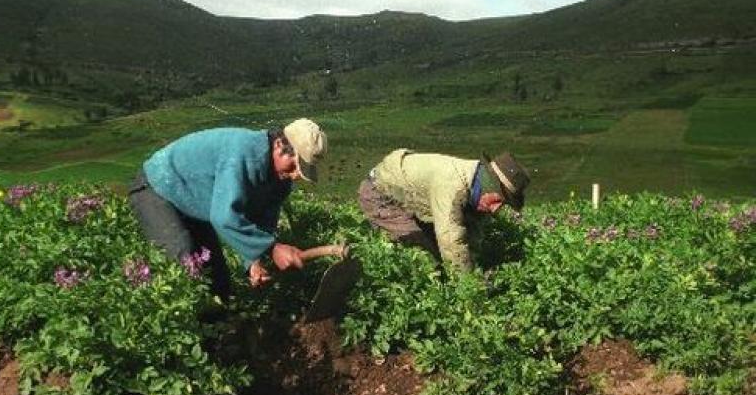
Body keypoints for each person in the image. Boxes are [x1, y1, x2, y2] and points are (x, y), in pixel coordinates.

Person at [128, 118, 327, 298]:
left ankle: (220, 333)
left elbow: (262, 221)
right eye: (293, 166)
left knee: (218, 282)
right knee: (184, 267)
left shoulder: (280, 181)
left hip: (195, 202)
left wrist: (254, 261)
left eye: (299, 171)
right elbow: (224, 217)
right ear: (278, 145)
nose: (294, 175)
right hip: (158, 187)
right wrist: (272, 248)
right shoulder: (243, 154)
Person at [357, 149, 530, 273]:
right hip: (381, 194)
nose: (496, 208)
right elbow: (451, 240)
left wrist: (473, 265)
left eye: (503, 204)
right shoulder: (453, 186)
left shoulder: (479, 191)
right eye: (498, 200)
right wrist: (467, 288)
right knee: (424, 258)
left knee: (438, 255)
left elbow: (472, 237)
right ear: (487, 186)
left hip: (411, 200)